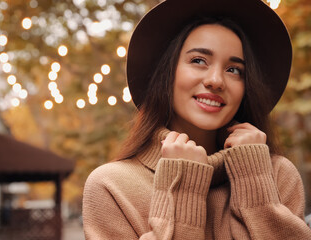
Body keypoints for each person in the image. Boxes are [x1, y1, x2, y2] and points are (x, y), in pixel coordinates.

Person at [82, 0, 311, 239]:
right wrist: (182, 186)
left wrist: (254, 178)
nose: (216, 80)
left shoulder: (277, 174)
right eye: (198, 60)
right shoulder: (111, 186)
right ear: (167, 73)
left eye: (234, 70)